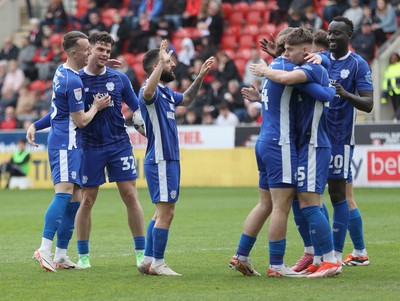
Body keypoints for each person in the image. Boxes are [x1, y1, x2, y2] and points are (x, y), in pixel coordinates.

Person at [229, 27, 335, 278]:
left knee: (265, 203)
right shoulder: (287, 68)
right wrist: (330, 87)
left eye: (288, 49)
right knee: (282, 205)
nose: (286, 52)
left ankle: (241, 255)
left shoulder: (276, 64)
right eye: (285, 48)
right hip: (281, 143)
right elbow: (324, 91)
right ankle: (277, 264)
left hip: (264, 141)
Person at [27, 31, 111, 272]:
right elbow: (81, 120)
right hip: (66, 142)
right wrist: (95, 107)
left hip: (71, 143)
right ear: (74, 53)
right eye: (86, 49)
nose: (90, 52)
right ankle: (44, 249)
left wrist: (35, 124)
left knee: (75, 200)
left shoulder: (62, 72)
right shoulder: (72, 81)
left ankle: (61, 254)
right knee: (63, 195)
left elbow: (57, 112)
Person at [137, 40, 214, 276]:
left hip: (169, 159)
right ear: (156, 67)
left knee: (160, 213)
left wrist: (200, 76)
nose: (173, 66)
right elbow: (148, 92)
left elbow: (187, 99)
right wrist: (161, 63)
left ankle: (148, 260)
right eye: (168, 63)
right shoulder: (148, 91)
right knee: (167, 214)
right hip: (161, 159)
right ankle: (159, 264)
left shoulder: (167, 93)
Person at [301, 16, 373, 267]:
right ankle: (331, 254)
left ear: (349, 36)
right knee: (314, 195)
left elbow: (368, 104)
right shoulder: (320, 59)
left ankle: (336, 256)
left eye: (337, 34)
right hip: (316, 138)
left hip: (340, 138)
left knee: (338, 195)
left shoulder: (358, 65)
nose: (331, 38)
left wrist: (345, 93)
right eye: (330, 33)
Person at [74, 31, 145, 269]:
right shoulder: (76, 80)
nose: (104, 54)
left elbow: (137, 109)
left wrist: (150, 129)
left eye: (107, 51)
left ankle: (141, 252)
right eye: (100, 49)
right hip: (89, 146)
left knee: (131, 195)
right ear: (89, 50)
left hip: (119, 145)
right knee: (87, 201)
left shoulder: (120, 79)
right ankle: (83, 256)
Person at [381, 53, 400, 122]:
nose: (393, 59)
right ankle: (397, 121)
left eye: (395, 58)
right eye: (392, 58)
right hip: (392, 92)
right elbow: (385, 82)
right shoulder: (389, 68)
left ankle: (396, 118)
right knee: (395, 108)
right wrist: (384, 96)